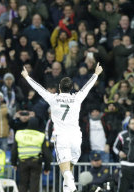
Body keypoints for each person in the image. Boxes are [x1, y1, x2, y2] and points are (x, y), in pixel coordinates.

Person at [21, 62, 103, 192]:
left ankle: (73, 189)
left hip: (62, 137)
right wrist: (96, 74)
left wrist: (27, 76)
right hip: (76, 137)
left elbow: (39, 88)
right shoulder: (77, 98)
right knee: (69, 169)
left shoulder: (53, 98)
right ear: (71, 88)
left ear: (59, 88)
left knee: (65, 170)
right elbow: (87, 87)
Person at [11, 117, 52, 192]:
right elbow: (46, 153)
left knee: (23, 184)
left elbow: (14, 150)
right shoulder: (40, 135)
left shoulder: (19, 134)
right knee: (34, 184)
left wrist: (14, 163)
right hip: (35, 162)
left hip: (22, 162)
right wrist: (47, 167)